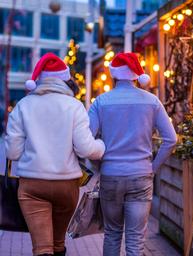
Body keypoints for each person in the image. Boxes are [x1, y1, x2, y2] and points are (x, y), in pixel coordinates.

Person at [5, 53, 105, 256]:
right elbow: (86, 149)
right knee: (58, 244)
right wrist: (101, 145)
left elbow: (13, 152)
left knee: (42, 248)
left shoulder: (23, 106)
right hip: (66, 185)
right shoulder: (75, 106)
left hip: (32, 185)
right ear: (65, 80)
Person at [88, 52, 177, 256]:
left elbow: (86, 140)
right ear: (137, 75)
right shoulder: (152, 101)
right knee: (136, 239)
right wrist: (153, 168)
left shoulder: (101, 102)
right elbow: (171, 139)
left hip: (111, 175)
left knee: (112, 233)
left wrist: (100, 157)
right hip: (141, 175)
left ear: (114, 75)